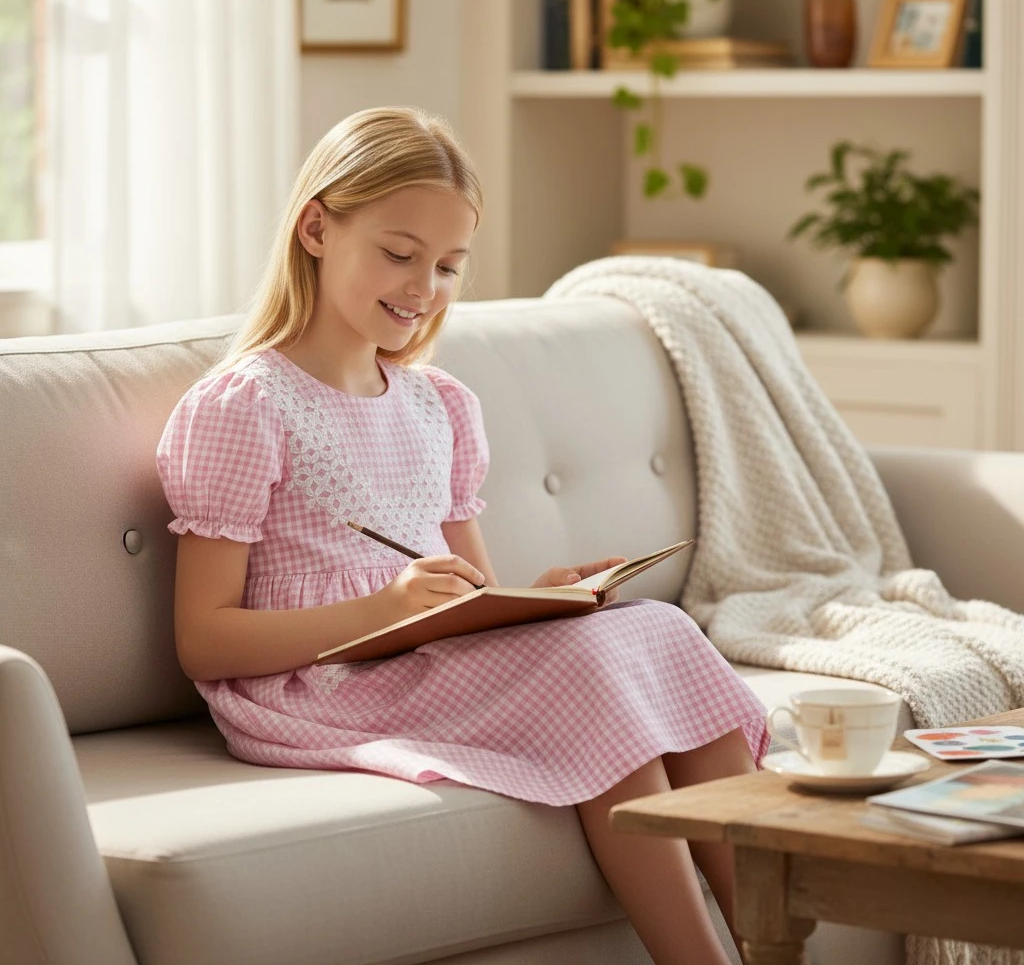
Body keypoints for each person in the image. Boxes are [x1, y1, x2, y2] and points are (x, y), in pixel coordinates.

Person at [156, 106, 769, 965]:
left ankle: (779, 948)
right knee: (596, 673)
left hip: (422, 664)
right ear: (316, 228)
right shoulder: (245, 406)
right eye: (400, 255)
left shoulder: (436, 403)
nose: (423, 289)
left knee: (655, 630)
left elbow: (475, 598)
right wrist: (386, 608)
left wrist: (545, 594)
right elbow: (203, 641)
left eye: (448, 266)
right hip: (317, 687)